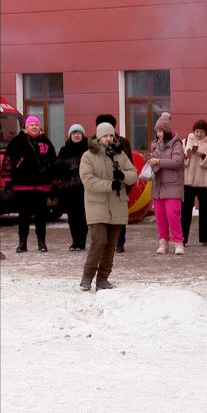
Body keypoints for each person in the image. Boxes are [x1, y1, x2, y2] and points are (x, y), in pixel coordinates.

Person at [78, 122, 137, 290]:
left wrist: (123, 175)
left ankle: (103, 279)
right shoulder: (88, 156)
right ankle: (87, 277)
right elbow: (88, 180)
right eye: (105, 136)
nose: (108, 138)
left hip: (117, 205)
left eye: (111, 135)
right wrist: (109, 185)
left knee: (111, 244)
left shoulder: (120, 155)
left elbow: (133, 174)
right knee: (99, 241)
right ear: (98, 137)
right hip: (97, 206)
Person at [1, 115, 57, 252]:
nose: (34, 127)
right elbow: (7, 161)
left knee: (40, 216)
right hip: (22, 185)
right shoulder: (16, 142)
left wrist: (54, 182)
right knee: (24, 216)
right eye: (31, 125)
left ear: (40, 127)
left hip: (41, 186)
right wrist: (7, 180)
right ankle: (22, 243)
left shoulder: (46, 142)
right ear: (26, 127)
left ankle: (41, 242)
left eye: (36, 125)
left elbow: (54, 163)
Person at [94, 114, 133, 253]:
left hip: (119, 187)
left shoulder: (122, 143)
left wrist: (126, 184)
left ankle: (120, 242)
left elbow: (130, 165)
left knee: (119, 215)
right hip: (101, 188)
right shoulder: (93, 144)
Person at [148, 114, 185, 255]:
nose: (158, 134)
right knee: (160, 216)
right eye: (157, 131)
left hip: (173, 185)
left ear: (167, 131)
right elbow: (155, 161)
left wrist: (158, 162)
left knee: (172, 215)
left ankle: (178, 242)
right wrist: (152, 161)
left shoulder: (177, 144)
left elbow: (177, 162)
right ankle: (163, 242)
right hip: (158, 186)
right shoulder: (155, 145)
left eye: (160, 131)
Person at [181, 119, 207, 246]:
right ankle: (183, 238)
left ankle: (205, 238)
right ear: (193, 131)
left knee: (204, 212)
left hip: (204, 183)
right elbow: (179, 158)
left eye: (201, 132)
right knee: (185, 211)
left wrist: (202, 155)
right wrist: (187, 155)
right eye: (197, 131)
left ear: (206, 133)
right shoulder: (186, 141)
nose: (199, 134)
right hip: (188, 182)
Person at [55, 123, 89, 251]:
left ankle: (82, 241)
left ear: (82, 135)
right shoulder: (64, 150)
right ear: (70, 136)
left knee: (83, 215)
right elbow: (57, 167)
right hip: (68, 189)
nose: (76, 135)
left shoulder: (88, 149)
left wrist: (76, 167)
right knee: (72, 216)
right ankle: (75, 241)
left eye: (78, 133)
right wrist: (67, 167)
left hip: (83, 188)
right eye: (74, 133)